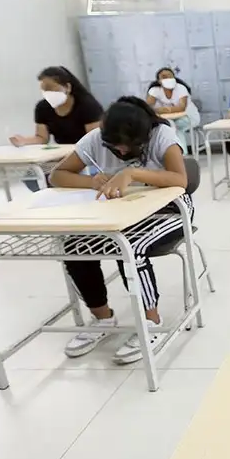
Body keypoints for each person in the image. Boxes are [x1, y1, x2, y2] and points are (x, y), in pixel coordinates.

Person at [50, 96, 192, 364]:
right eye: (114, 148)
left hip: (169, 211)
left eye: (129, 148)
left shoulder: (161, 134)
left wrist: (133, 174)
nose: (121, 153)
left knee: (131, 246)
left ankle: (151, 322)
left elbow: (180, 179)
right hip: (120, 215)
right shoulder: (95, 139)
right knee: (75, 247)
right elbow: (57, 175)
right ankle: (103, 318)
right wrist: (91, 181)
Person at [9, 66, 103, 191]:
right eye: (44, 90)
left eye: (50, 88)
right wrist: (23, 141)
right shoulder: (42, 108)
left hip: (86, 155)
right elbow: (42, 138)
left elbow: (94, 140)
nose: (48, 94)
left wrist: (72, 155)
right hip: (60, 155)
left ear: (67, 87)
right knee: (31, 177)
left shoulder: (87, 105)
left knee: (73, 177)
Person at [146, 67, 201, 150]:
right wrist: (169, 110)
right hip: (169, 119)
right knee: (168, 125)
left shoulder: (181, 88)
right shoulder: (155, 90)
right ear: (158, 81)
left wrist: (162, 110)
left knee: (174, 127)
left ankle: (182, 154)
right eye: (164, 77)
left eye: (170, 76)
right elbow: (148, 107)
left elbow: (181, 108)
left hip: (188, 117)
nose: (168, 79)